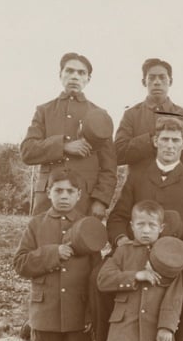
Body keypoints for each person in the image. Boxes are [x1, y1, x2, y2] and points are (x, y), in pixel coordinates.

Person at [106, 116, 183, 341]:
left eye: (175, 140)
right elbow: (118, 217)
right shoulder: (137, 176)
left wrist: (179, 251)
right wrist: (122, 242)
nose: (169, 145)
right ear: (155, 141)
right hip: (135, 253)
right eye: (164, 139)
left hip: (176, 260)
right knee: (95, 279)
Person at [13, 169, 98, 341]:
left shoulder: (88, 226)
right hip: (46, 314)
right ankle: (32, 327)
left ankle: (31, 328)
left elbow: (96, 275)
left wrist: (90, 314)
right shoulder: (36, 224)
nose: (64, 196)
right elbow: (20, 263)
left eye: (70, 191)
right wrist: (53, 253)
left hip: (77, 316)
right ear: (49, 192)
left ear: (79, 195)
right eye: (58, 191)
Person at [97, 200, 183, 341]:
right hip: (125, 327)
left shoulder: (169, 255)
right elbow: (103, 280)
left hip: (155, 327)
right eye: (140, 225)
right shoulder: (123, 251)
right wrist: (136, 275)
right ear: (131, 226)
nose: (146, 230)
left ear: (161, 227)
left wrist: (166, 327)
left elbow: (175, 295)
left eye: (151, 225)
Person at [20, 52, 117, 217]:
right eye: (69, 71)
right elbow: (27, 152)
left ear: (88, 79)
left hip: (84, 200)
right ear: (60, 75)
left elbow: (109, 167)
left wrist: (100, 200)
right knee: (45, 241)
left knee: (79, 242)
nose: (75, 76)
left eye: (81, 73)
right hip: (47, 199)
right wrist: (63, 146)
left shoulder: (100, 115)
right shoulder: (44, 111)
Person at [114, 57, 183, 185]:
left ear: (171, 81)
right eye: (151, 78)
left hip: (174, 187)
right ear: (143, 82)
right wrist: (151, 140)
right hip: (138, 188)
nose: (157, 82)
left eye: (162, 77)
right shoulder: (131, 115)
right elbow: (119, 153)